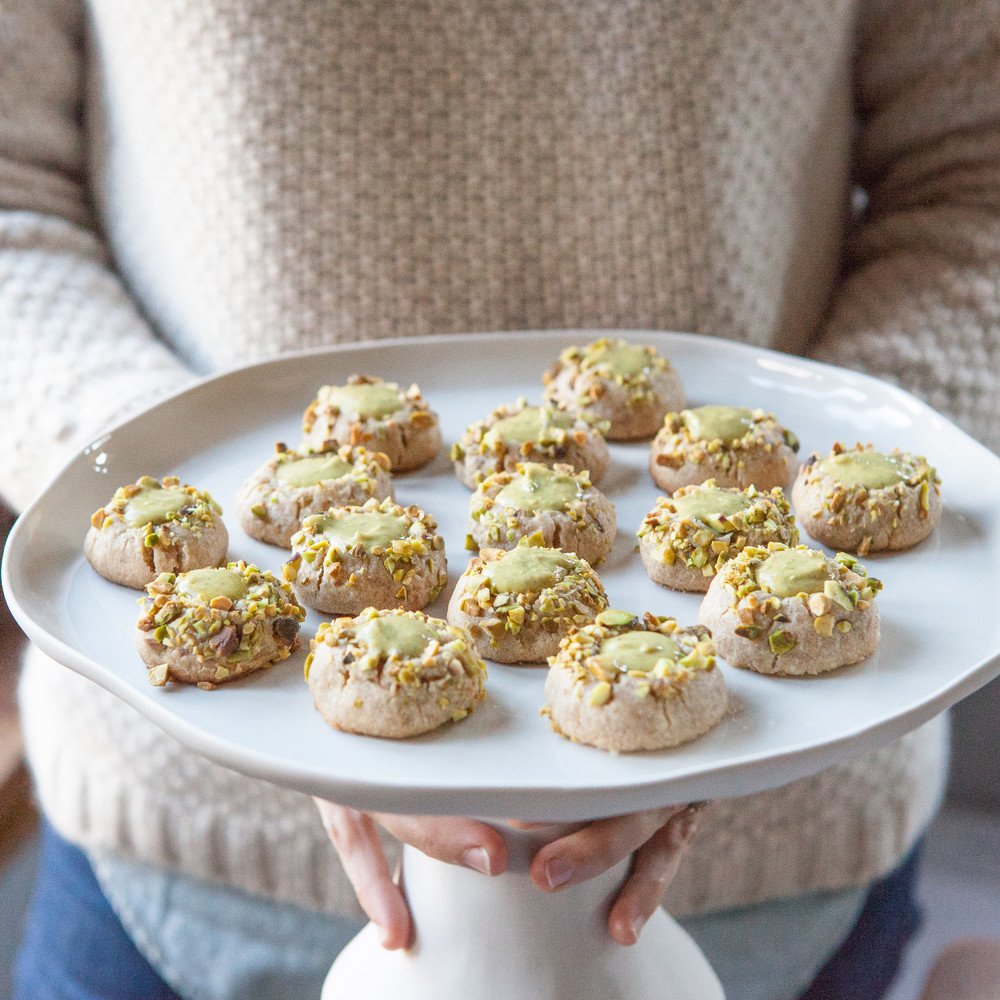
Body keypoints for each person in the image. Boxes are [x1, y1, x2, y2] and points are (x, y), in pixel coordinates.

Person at [2, 1, 998, 997]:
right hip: (169, 848)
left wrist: (876, 442)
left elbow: (973, 173)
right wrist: (135, 467)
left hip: (790, 855)